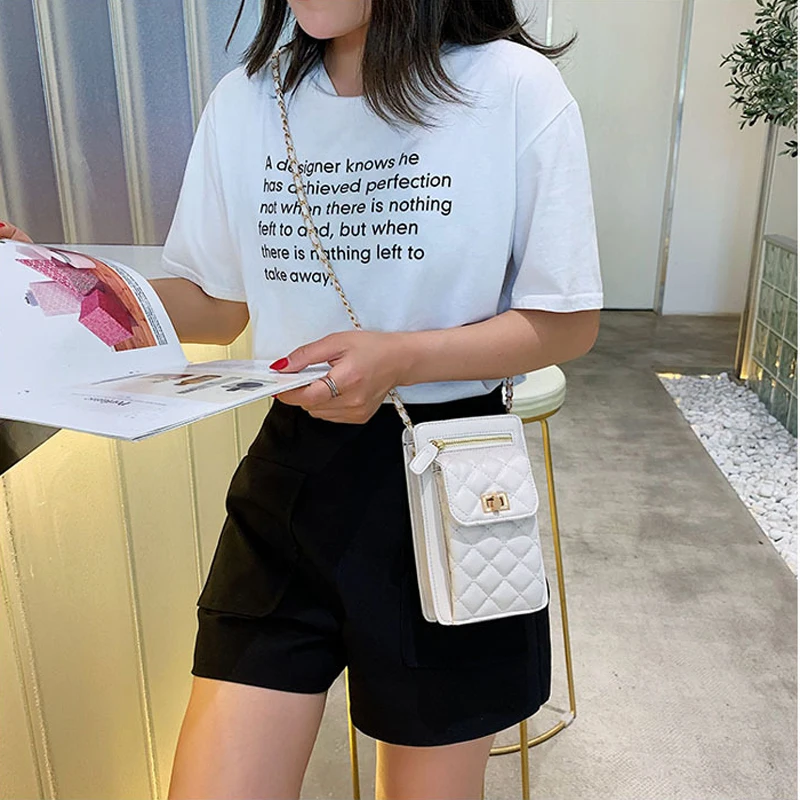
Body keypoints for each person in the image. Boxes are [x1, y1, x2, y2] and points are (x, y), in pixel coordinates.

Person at [1, 1, 603, 796]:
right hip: (290, 481)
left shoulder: (511, 88)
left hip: (446, 481)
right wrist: (57, 277)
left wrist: (403, 359)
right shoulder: (248, 101)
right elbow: (218, 306)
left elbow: (565, 321)